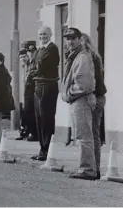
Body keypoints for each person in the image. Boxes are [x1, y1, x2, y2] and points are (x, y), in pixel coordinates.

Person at [60, 28, 97, 180]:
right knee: (83, 135)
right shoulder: (76, 56)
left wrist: (67, 93)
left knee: (84, 136)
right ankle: (87, 168)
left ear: (80, 39)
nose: (69, 42)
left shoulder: (82, 57)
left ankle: (87, 170)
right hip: (78, 100)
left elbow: (84, 85)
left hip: (81, 100)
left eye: (73, 38)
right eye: (67, 39)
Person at [80, 32, 107, 179]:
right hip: (100, 97)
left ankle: (90, 168)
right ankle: (95, 168)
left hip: (93, 97)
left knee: (89, 135)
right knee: (94, 134)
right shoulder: (96, 56)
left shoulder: (87, 58)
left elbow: (90, 81)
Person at [31, 26, 60, 161]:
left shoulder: (52, 49)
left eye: (45, 34)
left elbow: (41, 66)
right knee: (39, 118)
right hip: (38, 85)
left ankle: (47, 149)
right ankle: (42, 148)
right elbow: (33, 67)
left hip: (47, 86)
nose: (42, 37)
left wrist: (36, 68)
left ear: (51, 34)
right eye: (40, 34)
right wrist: (35, 68)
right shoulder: (40, 50)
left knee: (46, 118)